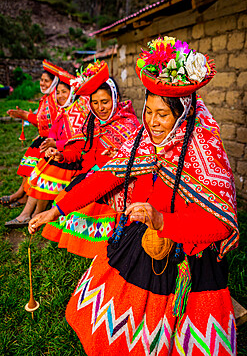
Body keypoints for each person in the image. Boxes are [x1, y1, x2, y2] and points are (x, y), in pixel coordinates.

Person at [29, 37, 238, 355]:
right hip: (147, 232)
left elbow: (219, 224)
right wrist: (56, 209)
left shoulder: (204, 150)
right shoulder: (146, 141)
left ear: (183, 114)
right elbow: (105, 177)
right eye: (149, 111)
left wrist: (161, 221)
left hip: (189, 253)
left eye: (163, 115)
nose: (153, 122)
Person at [39, 60, 139, 257]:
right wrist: (61, 155)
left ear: (115, 99)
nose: (100, 107)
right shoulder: (93, 122)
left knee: (89, 209)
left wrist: (116, 157)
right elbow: (79, 152)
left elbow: (131, 161)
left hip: (118, 181)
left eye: (105, 102)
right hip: (94, 175)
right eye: (95, 102)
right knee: (68, 198)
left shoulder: (129, 124)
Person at [5, 69, 90, 228]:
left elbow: (77, 142)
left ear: (73, 92)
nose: (60, 96)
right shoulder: (63, 110)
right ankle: (30, 212)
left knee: (46, 168)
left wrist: (54, 145)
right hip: (61, 154)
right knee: (42, 164)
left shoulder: (79, 111)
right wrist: (50, 141)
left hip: (74, 159)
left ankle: (30, 214)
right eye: (58, 92)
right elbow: (53, 131)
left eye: (65, 92)